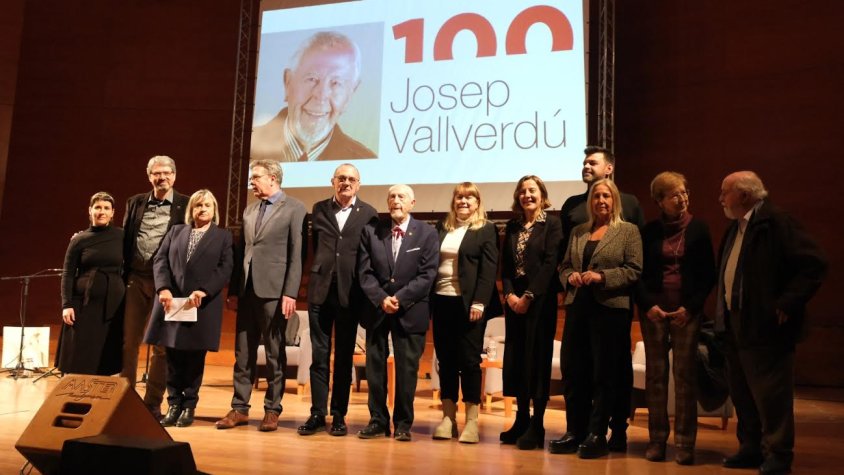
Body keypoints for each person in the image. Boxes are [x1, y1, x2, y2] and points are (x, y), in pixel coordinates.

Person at [716, 171, 827, 475]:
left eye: (725, 192)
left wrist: (787, 303)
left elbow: (814, 264)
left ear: (744, 195)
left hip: (766, 327)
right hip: (735, 323)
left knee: (771, 396)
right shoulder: (735, 227)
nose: (720, 198)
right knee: (742, 393)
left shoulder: (777, 222)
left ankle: (778, 454)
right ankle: (750, 448)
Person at [559, 145, 645, 451]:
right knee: (574, 370)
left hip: (611, 309)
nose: (601, 200)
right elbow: (565, 264)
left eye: (606, 196)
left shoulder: (628, 231)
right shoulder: (579, 231)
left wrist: (603, 277)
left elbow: (634, 269)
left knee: (604, 373)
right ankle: (575, 431)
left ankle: (598, 433)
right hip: (578, 307)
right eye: (596, 197)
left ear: (615, 200)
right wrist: (568, 276)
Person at [215, 159, 306, 432]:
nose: (251, 182)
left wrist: (290, 293)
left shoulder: (295, 209)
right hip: (246, 291)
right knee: (243, 352)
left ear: (273, 178)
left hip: (275, 292)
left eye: (256, 177)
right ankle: (239, 408)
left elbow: (297, 254)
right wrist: (233, 290)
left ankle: (272, 409)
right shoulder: (249, 210)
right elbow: (241, 250)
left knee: (275, 352)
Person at [635, 172, 716, 465]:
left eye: (684, 193)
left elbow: (709, 275)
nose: (682, 199)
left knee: (684, 378)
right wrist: (647, 306)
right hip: (654, 313)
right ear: (659, 200)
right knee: (656, 377)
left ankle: (685, 443)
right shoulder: (649, 231)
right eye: (674, 195)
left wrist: (691, 308)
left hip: (686, 313)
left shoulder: (699, 229)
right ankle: (657, 440)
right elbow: (637, 274)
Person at [297, 164, 377, 437]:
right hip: (320, 291)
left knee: (343, 356)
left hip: (350, 294)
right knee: (319, 356)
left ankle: (339, 414)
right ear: (333, 182)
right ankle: (317, 412)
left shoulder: (369, 214)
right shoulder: (319, 209)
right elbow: (314, 249)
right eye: (341, 178)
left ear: (359, 184)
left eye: (351, 179)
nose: (346, 183)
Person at [143, 190, 233, 428]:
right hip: (173, 302)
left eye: (207, 206)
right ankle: (173, 405)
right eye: (197, 205)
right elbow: (160, 260)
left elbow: (225, 268)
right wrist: (163, 288)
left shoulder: (222, 236)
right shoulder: (176, 232)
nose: (202, 209)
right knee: (172, 356)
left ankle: (189, 406)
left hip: (200, 304)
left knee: (194, 359)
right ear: (191, 209)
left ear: (214, 210)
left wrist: (204, 290)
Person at [356, 184, 438, 441]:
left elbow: (428, 274)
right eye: (391, 197)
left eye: (401, 196)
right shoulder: (372, 231)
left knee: (406, 371)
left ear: (413, 203)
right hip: (377, 311)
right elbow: (364, 272)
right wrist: (381, 299)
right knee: (375, 369)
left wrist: (399, 299)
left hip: (411, 310)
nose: (395, 200)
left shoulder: (427, 233)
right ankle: (378, 421)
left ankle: (403, 423)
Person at [431, 182, 501, 444]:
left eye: (469, 197)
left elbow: (488, 268)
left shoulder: (486, 229)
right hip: (441, 301)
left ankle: (471, 420)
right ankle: (448, 418)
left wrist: (480, 301)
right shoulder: (442, 227)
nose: (464, 201)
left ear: (477, 202)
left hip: (470, 304)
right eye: (459, 196)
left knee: (469, 361)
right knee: (446, 360)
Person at [121, 155, 189, 418]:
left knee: (162, 345)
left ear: (174, 175)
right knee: (129, 342)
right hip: (136, 280)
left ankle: (153, 401)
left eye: (167, 173)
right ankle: (125, 398)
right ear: (149, 176)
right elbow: (125, 236)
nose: (162, 178)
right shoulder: (135, 202)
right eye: (156, 173)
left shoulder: (184, 204)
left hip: (168, 286)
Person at [499, 175, 563, 450]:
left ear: (542, 195)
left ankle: (537, 423)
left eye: (532, 190)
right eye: (523, 191)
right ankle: (521, 418)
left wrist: (528, 296)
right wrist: (510, 296)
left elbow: (550, 265)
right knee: (515, 359)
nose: (527, 195)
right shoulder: (512, 226)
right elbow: (506, 266)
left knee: (536, 360)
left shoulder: (552, 224)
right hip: (515, 302)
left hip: (540, 300)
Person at [251, 31, 376, 162]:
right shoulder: (247, 149)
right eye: (311, 79)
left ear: (351, 92)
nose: (321, 96)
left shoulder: (367, 161)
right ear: (288, 83)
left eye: (336, 83)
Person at [59, 192, 125, 375]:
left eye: (106, 208)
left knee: (106, 352)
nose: (101, 211)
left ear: (113, 213)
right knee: (80, 351)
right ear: (90, 211)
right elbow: (68, 273)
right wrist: (67, 304)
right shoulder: (79, 240)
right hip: (83, 304)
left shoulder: (122, 236)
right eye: (97, 207)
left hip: (113, 304)